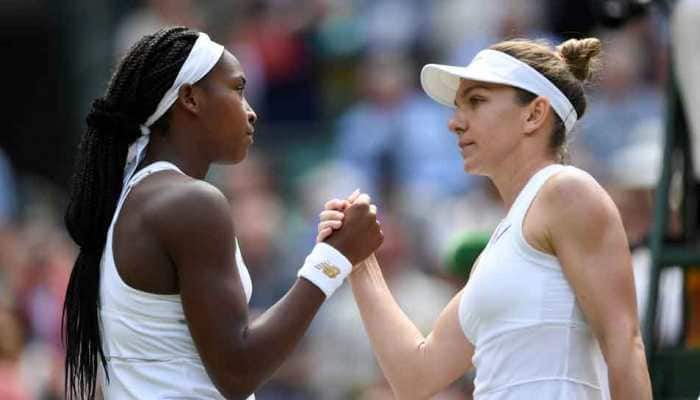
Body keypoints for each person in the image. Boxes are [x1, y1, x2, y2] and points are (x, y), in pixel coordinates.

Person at [318, 37, 652, 399]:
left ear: (534, 114)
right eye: (458, 107)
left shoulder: (566, 191)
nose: (454, 123)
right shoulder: (498, 250)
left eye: (476, 102)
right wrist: (360, 260)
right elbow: (414, 377)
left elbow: (625, 345)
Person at [62, 26, 383, 399]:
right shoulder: (192, 203)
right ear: (190, 99)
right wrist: (332, 260)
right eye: (237, 88)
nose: (251, 112)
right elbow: (237, 371)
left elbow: (213, 348)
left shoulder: (136, 199)